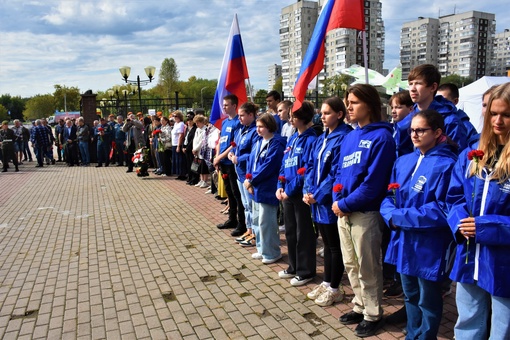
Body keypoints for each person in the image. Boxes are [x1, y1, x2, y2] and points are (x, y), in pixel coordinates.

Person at [381, 109, 457, 339]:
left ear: (437, 132)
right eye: (411, 130)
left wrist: (400, 217)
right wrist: (389, 215)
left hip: (429, 245)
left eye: (420, 130)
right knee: (409, 295)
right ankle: (411, 334)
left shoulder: (447, 164)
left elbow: (444, 208)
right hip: (403, 241)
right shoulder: (403, 161)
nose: (414, 134)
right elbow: (388, 196)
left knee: (428, 299)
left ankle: (425, 336)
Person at [446, 82, 510, 339]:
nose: (498, 121)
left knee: (503, 327)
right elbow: (453, 197)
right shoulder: (473, 154)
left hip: (503, 261)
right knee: (467, 321)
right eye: (493, 113)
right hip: (469, 254)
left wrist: (485, 227)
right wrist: (460, 222)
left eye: (506, 114)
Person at [332, 84, 396, 338]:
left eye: (354, 102)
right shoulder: (350, 136)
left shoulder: (382, 137)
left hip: (365, 213)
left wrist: (345, 204)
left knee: (368, 267)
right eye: (348, 101)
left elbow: (374, 183)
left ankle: (373, 313)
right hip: (343, 212)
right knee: (351, 264)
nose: (349, 107)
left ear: (369, 105)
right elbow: (339, 172)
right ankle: (359, 306)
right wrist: (337, 199)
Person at [303, 97, 352, 306]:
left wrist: (319, 194)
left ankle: (335, 287)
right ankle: (326, 282)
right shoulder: (321, 137)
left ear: (339, 115)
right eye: (321, 113)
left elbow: (335, 173)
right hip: (316, 201)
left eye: (327, 113)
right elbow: (311, 166)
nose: (322, 117)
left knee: (334, 246)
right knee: (326, 243)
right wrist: (307, 190)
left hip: (330, 200)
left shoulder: (344, 137)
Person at [276, 101, 318, 286]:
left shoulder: (312, 139)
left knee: (304, 234)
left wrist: (290, 190)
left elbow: (308, 169)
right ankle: (293, 266)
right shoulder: (292, 138)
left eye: (294, 115)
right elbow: (285, 163)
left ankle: (306, 270)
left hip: (300, 195)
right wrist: (280, 184)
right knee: (291, 233)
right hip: (287, 194)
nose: (291, 118)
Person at [396, 64, 468, 156]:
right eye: (410, 84)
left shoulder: (450, 121)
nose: (412, 89)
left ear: (433, 87)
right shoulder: (405, 121)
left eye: (418, 83)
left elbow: (460, 157)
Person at [245, 113, 286, 263]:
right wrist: (249, 179)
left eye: (261, 126)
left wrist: (252, 180)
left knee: (267, 222)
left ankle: (272, 252)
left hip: (267, 188)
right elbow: (251, 163)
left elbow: (269, 165)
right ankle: (262, 249)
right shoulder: (258, 143)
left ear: (269, 127)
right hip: (255, 188)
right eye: (257, 126)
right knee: (257, 220)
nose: (258, 130)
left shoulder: (276, 143)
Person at [213, 94, 246, 237]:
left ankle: (242, 223)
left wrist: (221, 156)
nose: (224, 107)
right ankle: (232, 219)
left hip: (232, 163)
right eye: (223, 105)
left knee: (236, 193)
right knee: (229, 192)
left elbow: (235, 144)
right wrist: (217, 157)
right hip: (223, 163)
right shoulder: (225, 122)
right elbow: (221, 140)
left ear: (234, 106)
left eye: (226, 105)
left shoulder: (238, 122)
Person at [229, 102, 260, 247]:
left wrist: (238, 158)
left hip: (247, 173)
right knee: (246, 205)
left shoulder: (255, 131)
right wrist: (232, 154)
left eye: (242, 115)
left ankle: (254, 233)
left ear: (251, 115)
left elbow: (254, 154)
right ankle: (249, 230)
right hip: (239, 173)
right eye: (239, 115)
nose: (239, 118)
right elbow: (237, 147)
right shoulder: (242, 130)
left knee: (251, 205)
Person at [171, 111, 187, 180]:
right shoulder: (175, 124)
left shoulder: (181, 124)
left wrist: (178, 146)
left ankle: (182, 174)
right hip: (174, 143)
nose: (175, 118)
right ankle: (179, 174)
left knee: (180, 160)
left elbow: (181, 135)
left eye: (176, 116)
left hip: (178, 144)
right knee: (176, 160)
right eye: (174, 116)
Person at [183, 114, 198, 185]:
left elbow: (192, 140)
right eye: (188, 121)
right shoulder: (187, 128)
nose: (189, 122)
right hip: (186, 149)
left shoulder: (195, 129)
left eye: (190, 121)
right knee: (188, 164)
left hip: (191, 149)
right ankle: (189, 177)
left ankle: (194, 179)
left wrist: (187, 148)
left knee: (193, 165)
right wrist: (183, 146)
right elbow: (185, 138)